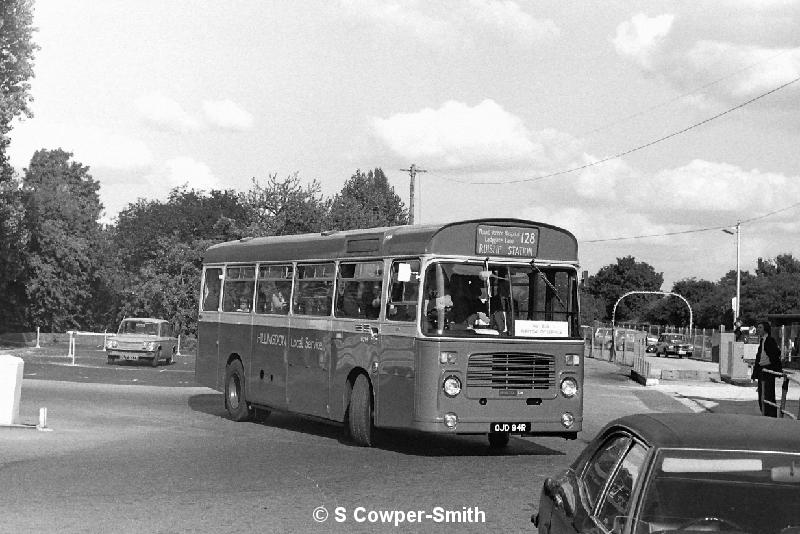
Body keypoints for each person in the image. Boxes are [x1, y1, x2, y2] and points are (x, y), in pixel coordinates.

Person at [751, 321, 783, 417]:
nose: (758, 329)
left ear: (765, 329)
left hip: (767, 370)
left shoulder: (770, 340)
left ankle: (771, 415)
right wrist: (755, 374)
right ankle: (765, 413)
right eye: (758, 327)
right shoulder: (762, 340)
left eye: (760, 327)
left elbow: (776, 353)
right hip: (762, 370)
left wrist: (773, 366)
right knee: (762, 394)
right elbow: (759, 358)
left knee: (768, 394)